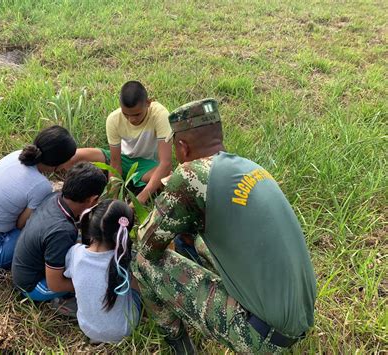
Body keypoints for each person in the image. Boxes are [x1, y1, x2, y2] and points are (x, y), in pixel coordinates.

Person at [133, 99, 317, 354]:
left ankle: (178, 344)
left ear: (182, 147)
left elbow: (148, 244)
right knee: (198, 241)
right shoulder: (251, 167)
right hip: (301, 317)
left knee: (141, 262)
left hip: (261, 338)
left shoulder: (191, 174)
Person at [0, 125, 77, 269]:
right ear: (59, 163)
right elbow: (21, 225)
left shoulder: (18, 155)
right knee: (42, 230)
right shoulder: (41, 186)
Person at [62, 81, 172, 204]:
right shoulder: (114, 119)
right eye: (126, 114)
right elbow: (115, 163)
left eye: (137, 114)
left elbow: (166, 163)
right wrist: (113, 199)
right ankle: (73, 192)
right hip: (122, 159)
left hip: (147, 166)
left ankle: (137, 186)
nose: (132, 119)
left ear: (148, 103)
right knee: (73, 157)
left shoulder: (160, 115)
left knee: (169, 179)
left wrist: (139, 200)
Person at [11, 162, 107, 303]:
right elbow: (55, 285)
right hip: (33, 286)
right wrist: (89, 286)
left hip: (24, 266)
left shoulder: (56, 197)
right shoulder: (62, 231)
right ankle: (62, 303)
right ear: (93, 199)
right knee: (96, 284)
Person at [63, 199, 141, 343]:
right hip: (124, 330)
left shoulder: (75, 254)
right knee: (136, 288)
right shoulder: (125, 260)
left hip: (87, 328)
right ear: (123, 234)